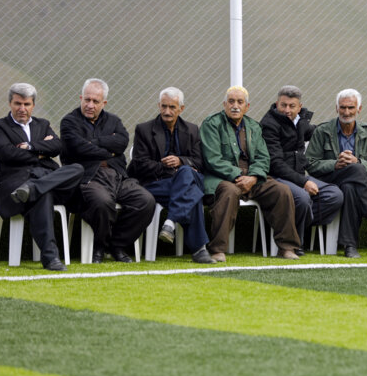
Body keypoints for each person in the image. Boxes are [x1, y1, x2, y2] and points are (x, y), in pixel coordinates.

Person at [200, 85, 301, 262]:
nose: (235, 106)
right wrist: (239, 175)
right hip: (223, 177)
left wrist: (253, 177)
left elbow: (264, 158)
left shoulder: (254, 126)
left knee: (282, 191)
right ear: (224, 104)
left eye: (240, 102)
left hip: (252, 177)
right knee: (229, 192)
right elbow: (212, 159)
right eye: (231, 101)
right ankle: (217, 249)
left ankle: (287, 247)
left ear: (247, 106)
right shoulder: (212, 124)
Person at [0, 83, 84, 271]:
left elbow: (57, 146)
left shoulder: (43, 124)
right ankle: (51, 258)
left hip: (43, 179)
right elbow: (7, 154)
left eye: (26, 104)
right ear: (10, 103)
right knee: (43, 193)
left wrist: (30, 146)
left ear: (33, 105)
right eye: (18, 103)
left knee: (77, 168)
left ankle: (35, 187)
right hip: (16, 186)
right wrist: (41, 150)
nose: (22, 109)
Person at [61, 78, 155, 263]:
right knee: (102, 202)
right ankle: (99, 246)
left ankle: (117, 245)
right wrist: (108, 149)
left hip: (117, 175)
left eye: (95, 101)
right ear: (80, 98)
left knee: (145, 201)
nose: (90, 105)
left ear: (104, 103)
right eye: (87, 100)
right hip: (88, 177)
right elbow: (77, 148)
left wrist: (92, 143)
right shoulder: (69, 122)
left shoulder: (114, 120)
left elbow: (122, 141)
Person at [305, 89, 367, 258]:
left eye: (351, 107)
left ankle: (350, 246)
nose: (346, 112)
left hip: (354, 185)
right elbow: (310, 164)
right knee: (355, 171)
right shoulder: (322, 131)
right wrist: (335, 164)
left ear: (359, 109)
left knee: (350, 185)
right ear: (336, 108)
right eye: (342, 107)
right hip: (329, 182)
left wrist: (358, 162)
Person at [127, 87, 215, 264]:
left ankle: (170, 222)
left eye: (172, 107)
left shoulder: (191, 129)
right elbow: (140, 164)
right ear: (159, 106)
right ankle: (199, 250)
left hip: (183, 180)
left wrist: (180, 161)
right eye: (164, 106)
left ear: (181, 109)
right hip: (156, 183)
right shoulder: (144, 130)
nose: (167, 111)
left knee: (185, 173)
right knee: (193, 194)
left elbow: (199, 161)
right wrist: (169, 169)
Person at [260, 85, 343, 252]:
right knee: (302, 199)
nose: (287, 110)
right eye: (283, 105)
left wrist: (340, 124)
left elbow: (316, 131)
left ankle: (293, 225)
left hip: (298, 176)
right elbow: (275, 164)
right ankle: (295, 242)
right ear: (277, 104)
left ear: (299, 106)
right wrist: (304, 182)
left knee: (334, 195)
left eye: (292, 106)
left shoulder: (300, 122)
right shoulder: (269, 125)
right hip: (277, 177)